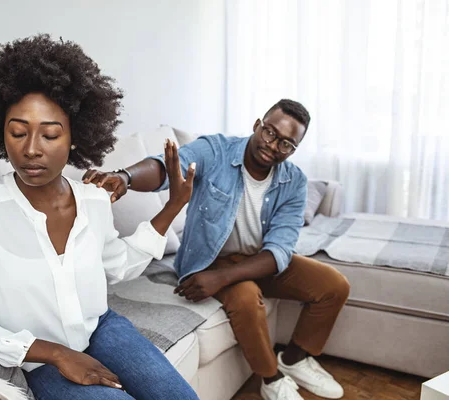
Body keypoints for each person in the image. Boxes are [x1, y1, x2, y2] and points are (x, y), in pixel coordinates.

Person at [0, 34, 199, 400]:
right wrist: (53, 352)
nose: (31, 149)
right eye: (18, 132)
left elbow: (116, 266)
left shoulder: (93, 198)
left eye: (50, 134)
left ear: (74, 138)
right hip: (34, 358)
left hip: (101, 328)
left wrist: (172, 206)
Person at [84, 99, 350, 400]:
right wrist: (125, 177)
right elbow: (168, 169)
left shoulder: (294, 182)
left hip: (257, 260)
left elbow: (279, 251)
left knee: (333, 285)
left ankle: (294, 359)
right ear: (257, 125)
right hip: (207, 260)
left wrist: (223, 278)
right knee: (246, 298)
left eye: (287, 144)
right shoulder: (215, 150)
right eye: (270, 133)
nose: (273, 146)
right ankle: (271, 379)